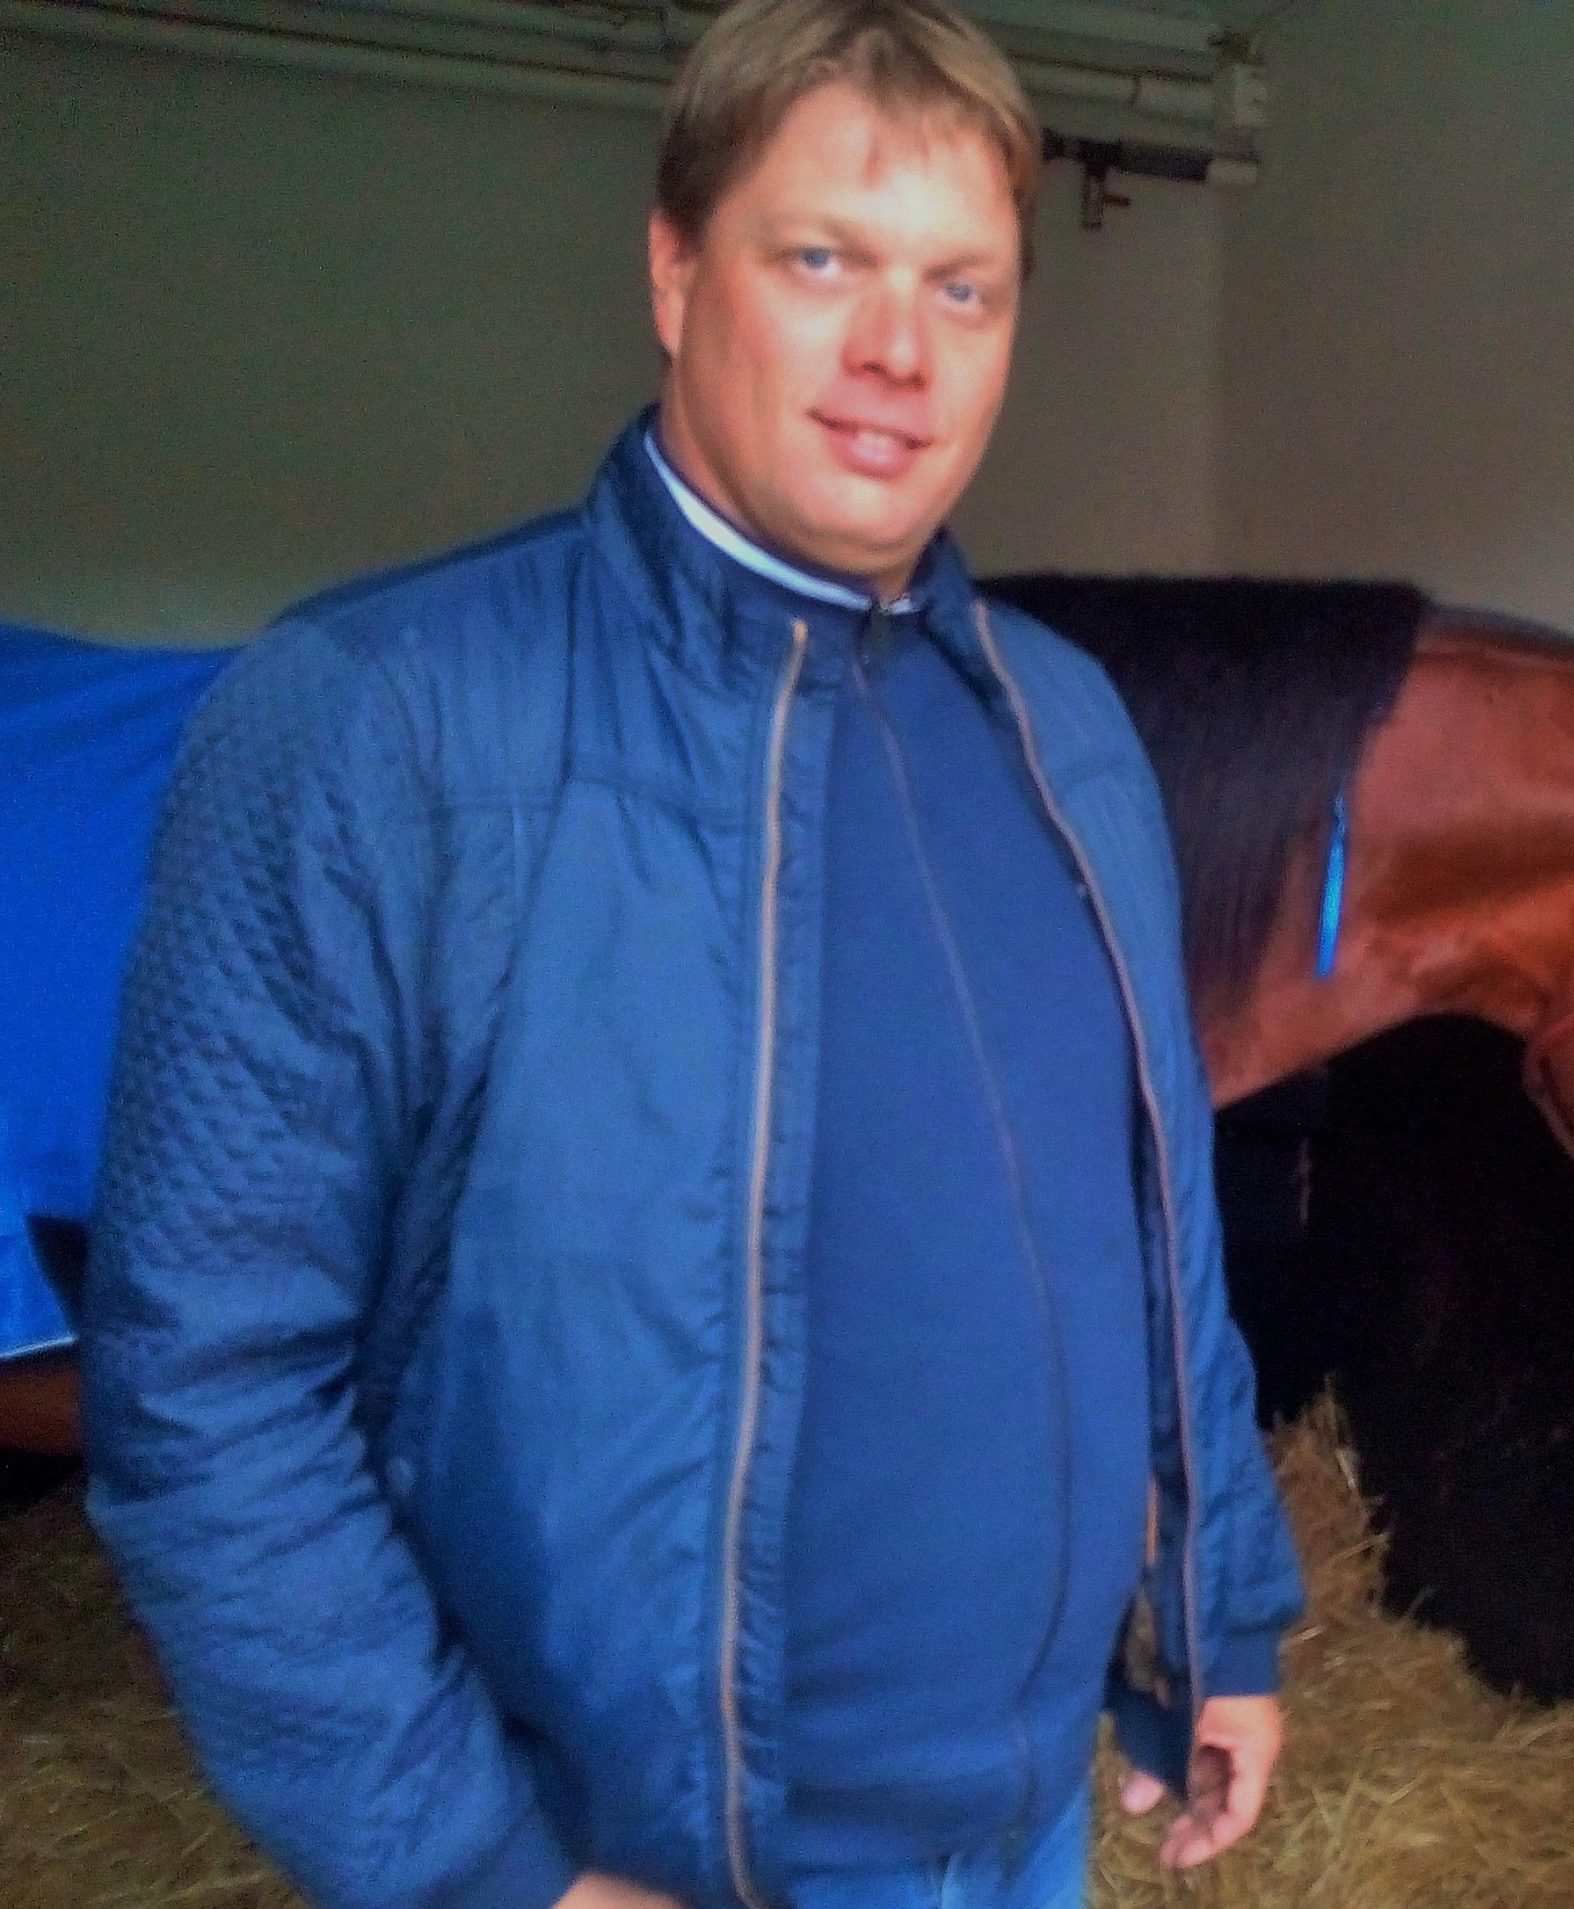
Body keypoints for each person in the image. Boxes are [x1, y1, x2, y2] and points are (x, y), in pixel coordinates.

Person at [77, 3, 1302, 1905]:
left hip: (1028, 1835)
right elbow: (203, 1392)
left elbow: (1156, 1232)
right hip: (638, 1869)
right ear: (672, 271)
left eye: (963, 289)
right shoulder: (378, 722)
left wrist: (1224, 1605)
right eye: (822, 260)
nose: (899, 349)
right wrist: (488, 1869)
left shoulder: (1066, 731)